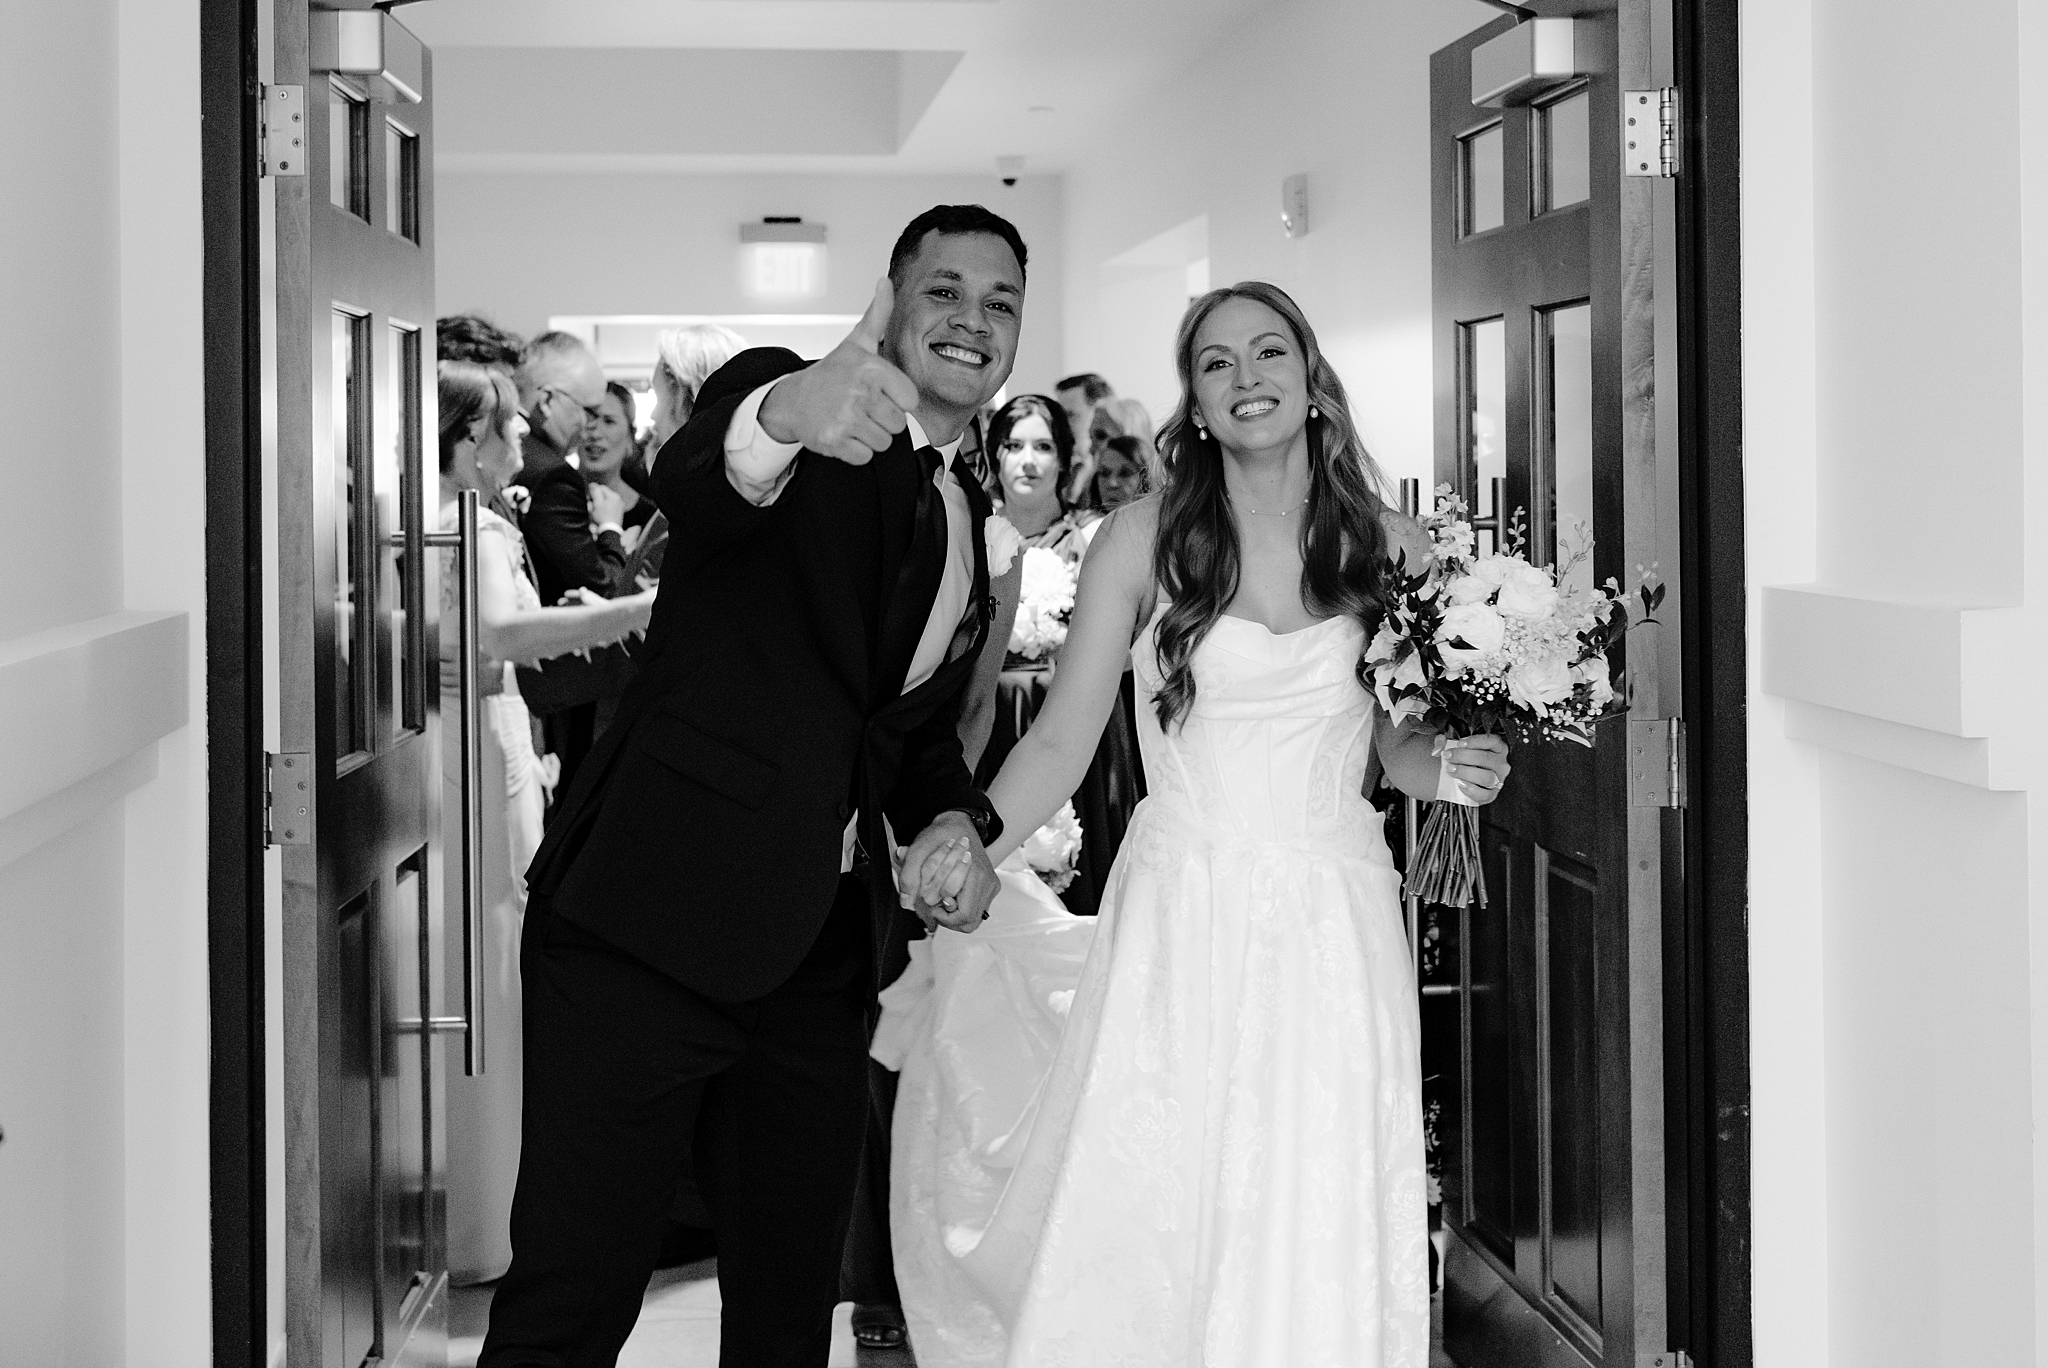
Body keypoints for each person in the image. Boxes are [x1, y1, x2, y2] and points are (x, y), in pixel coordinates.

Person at [889, 281, 1513, 1366]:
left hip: (1331, 905)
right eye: (1216, 363)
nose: (1246, 378)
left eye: (1267, 352)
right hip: (1183, 902)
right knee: (1166, 1177)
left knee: (1312, 1168)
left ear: (1312, 378)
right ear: (1196, 399)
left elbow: (1394, 746)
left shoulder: (1390, 546)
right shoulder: (1143, 537)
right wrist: (972, 839)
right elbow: (1059, 740)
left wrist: (1451, 767)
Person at [477, 203, 1029, 1368]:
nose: (971, 320)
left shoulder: (966, 512)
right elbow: (702, 468)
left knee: (785, 1316)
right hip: (644, 931)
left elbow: (904, 731)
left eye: (999, 302)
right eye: (943, 290)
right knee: (571, 1302)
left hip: (817, 960)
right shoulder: (800, 408)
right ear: (889, 302)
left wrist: (952, 818)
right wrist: (786, 410)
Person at [433, 361, 656, 1285]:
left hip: (493, 739)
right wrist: (635, 611)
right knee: (496, 951)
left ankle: (487, 1203)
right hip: (486, 746)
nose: (525, 439)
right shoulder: (473, 529)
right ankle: (489, 1215)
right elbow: (495, 641)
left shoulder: (461, 522)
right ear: (469, 439)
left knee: (500, 945)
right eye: (511, 425)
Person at [972, 395, 1136, 918]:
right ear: (995, 455)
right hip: (989, 725)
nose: (1028, 459)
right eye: (1014, 445)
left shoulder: (1089, 541)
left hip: (1067, 726)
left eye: (1043, 446)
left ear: (1064, 460)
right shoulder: (971, 538)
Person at [510, 331, 632, 793]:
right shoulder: (552, 473)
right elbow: (599, 585)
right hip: (541, 677)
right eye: (585, 410)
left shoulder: (532, 461)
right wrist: (611, 531)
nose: (590, 427)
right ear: (546, 400)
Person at [579, 381, 658, 553]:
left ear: (630, 437)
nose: (595, 433)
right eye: (589, 418)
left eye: (609, 421)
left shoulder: (649, 517)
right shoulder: (556, 500)